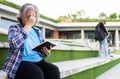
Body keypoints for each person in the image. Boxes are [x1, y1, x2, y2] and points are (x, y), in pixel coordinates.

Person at [2, 3, 60, 79]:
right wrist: (28, 25)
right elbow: (15, 44)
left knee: (53, 70)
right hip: (20, 62)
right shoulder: (14, 28)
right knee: (36, 73)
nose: (31, 19)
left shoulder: (37, 31)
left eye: (33, 17)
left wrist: (46, 53)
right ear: (21, 16)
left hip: (37, 60)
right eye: (28, 16)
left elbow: (41, 51)